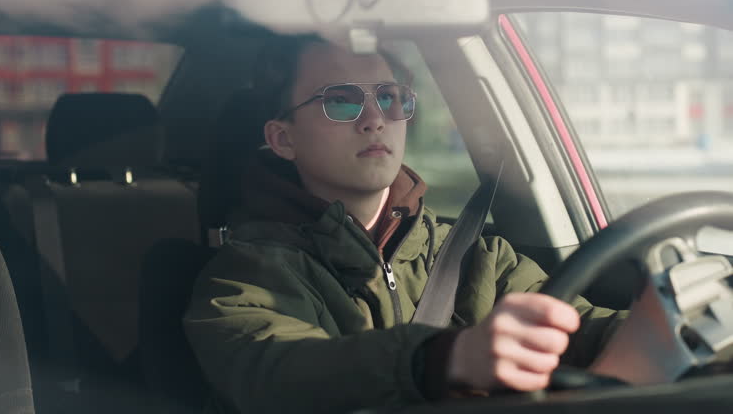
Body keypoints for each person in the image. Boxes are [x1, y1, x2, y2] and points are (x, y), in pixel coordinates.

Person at [183, 35, 626, 414]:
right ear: (283, 138)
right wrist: (438, 360)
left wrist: (667, 324)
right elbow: (280, 372)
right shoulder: (242, 278)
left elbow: (580, 325)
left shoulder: (477, 255)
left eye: (390, 97)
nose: (375, 118)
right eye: (341, 99)